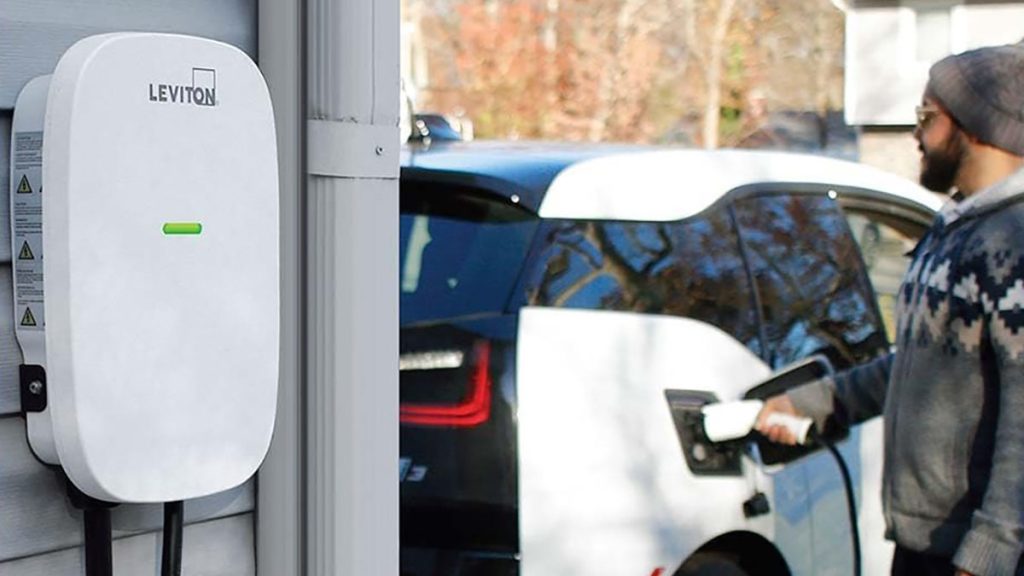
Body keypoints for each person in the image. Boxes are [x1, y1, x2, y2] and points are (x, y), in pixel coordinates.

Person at [756, 43, 1024, 576]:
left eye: (927, 116)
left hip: (973, 556)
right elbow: (920, 360)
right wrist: (816, 402)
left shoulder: (1011, 243)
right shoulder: (956, 229)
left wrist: (989, 552)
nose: (915, 134)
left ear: (976, 126)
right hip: (926, 542)